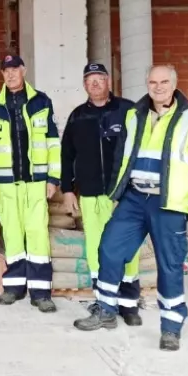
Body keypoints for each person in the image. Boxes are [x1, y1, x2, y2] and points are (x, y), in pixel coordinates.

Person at [92, 64, 188, 351]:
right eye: (152, 81)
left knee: (170, 265)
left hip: (169, 204)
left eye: (164, 82)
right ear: (147, 84)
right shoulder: (133, 116)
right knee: (110, 248)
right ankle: (106, 310)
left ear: (174, 84)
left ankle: (171, 328)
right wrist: (116, 193)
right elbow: (121, 159)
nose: (158, 86)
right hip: (134, 199)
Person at [61, 63, 143, 330]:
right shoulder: (77, 116)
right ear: (84, 85)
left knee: (128, 249)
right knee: (97, 250)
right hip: (90, 194)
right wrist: (66, 189)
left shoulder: (127, 111)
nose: (95, 84)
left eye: (99, 79)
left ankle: (129, 305)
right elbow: (66, 157)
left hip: (121, 195)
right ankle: (104, 302)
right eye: (89, 80)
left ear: (109, 81)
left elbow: (140, 149)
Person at [0, 55, 61, 313]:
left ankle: (40, 292)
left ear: (23, 70)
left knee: (37, 234)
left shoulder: (41, 102)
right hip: (5, 184)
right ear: (1, 74)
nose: (11, 74)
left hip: (36, 182)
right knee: (12, 233)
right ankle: (13, 287)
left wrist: (53, 178)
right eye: (6, 71)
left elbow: (53, 143)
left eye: (15, 69)